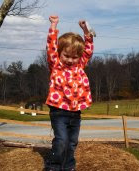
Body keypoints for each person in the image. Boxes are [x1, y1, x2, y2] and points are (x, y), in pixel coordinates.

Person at [45, 15, 94, 171]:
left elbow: (88, 49)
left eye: (75, 57)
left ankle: (68, 167)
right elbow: (51, 46)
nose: (71, 60)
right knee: (61, 140)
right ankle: (53, 167)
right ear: (59, 54)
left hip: (75, 112)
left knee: (72, 142)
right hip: (59, 111)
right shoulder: (56, 65)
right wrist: (53, 26)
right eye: (66, 55)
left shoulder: (80, 66)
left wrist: (86, 30)